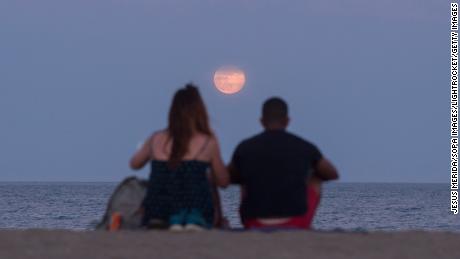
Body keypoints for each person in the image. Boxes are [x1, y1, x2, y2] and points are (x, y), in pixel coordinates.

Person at [130, 84, 230, 231]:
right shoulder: (208, 141)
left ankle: (168, 218)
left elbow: (135, 164)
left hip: (158, 207)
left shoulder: (156, 138)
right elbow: (223, 181)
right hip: (196, 205)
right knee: (206, 178)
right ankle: (191, 219)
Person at [228, 97, 339, 229]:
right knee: (316, 178)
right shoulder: (304, 147)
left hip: (254, 221)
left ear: (262, 121)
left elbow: (227, 177)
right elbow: (332, 173)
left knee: (244, 179)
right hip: (296, 221)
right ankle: (306, 225)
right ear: (287, 121)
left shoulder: (245, 147)